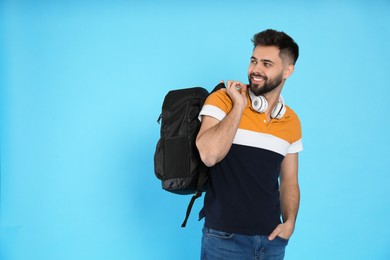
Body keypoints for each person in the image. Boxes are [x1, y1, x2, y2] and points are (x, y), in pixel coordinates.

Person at [196, 29, 303, 259]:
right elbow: (209, 155)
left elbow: (289, 180)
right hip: (223, 239)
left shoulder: (291, 121)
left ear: (287, 71)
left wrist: (290, 222)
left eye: (267, 64)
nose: (256, 69)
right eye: (254, 61)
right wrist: (238, 107)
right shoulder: (223, 100)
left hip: (272, 242)